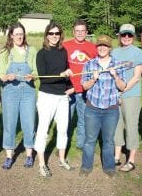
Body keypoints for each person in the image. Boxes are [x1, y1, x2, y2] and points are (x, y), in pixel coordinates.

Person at [79, 35, 126, 177]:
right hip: (92, 108)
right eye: (99, 45)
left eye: (105, 46)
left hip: (111, 109)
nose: (102, 48)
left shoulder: (118, 64)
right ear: (96, 47)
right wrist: (93, 78)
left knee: (109, 141)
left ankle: (109, 167)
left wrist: (115, 76)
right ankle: (86, 166)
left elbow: (123, 87)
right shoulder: (89, 64)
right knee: (89, 140)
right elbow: (84, 86)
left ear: (110, 48)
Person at [34, 22, 75, 177]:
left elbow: (66, 74)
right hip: (47, 96)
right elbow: (43, 78)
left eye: (57, 34)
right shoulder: (41, 53)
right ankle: (42, 164)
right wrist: (61, 75)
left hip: (62, 96)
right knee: (43, 130)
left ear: (60, 35)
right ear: (46, 35)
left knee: (63, 129)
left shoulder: (63, 51)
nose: (54, 36)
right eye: (51, 34)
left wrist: (70, 86)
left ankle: (62, 159)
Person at [0, 22, 37, 169]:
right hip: (10, 92)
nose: (19, 37)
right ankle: (9, 156)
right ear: (11, 36)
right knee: (9, 124)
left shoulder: (32, 50)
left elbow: (36, 71)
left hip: (28, 92)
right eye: (16, 34)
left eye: (21, 34)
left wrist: (32, 76)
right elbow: (1, 74)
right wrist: (7, 77)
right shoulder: (5, 52)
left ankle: (29, 155)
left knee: (29, 123)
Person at [112, 24, 142, 172]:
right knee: (117, 125)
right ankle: (116, 156)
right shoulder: (114, 52)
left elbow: (137, 77)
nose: (126, 37)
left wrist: (123, 90)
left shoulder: (138, 53)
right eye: (124, 34)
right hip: (115, 95)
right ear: (120, 36)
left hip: (131, 95)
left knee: (131, 126)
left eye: (130, 35)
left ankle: (131, 160)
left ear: (133, 36)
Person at [63, 19, 97, 149]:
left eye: (83, 31)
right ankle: (63, 144)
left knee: (83, 119)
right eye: (77, 31)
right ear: (73, 32)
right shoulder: (65, 46)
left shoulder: (92, 48)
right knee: (65, 119)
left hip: (85, 90)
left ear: (86, 32)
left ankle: (81, 144)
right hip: (69, 89)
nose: (80, 33)